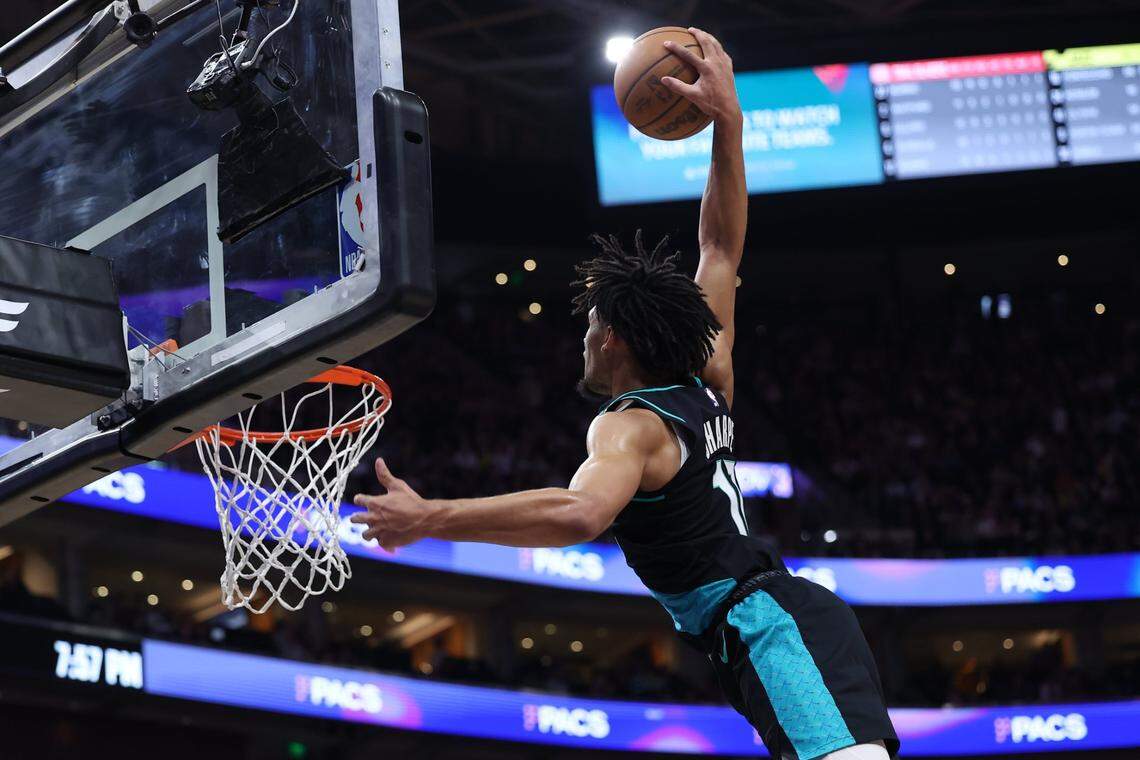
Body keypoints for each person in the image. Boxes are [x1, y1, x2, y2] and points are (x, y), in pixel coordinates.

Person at [351, 27, 898, 760]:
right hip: (781, 623)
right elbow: (720, 249)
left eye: (588, 325)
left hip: (771, 629)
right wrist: (729, 123)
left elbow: (581, 513)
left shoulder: (630, 424)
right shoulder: (708, 371)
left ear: (613, 340)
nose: (581, 337)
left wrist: (432, 517)